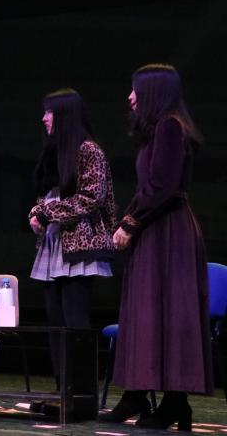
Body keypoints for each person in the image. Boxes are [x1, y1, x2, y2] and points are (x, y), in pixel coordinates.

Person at [102, 64, 212, 431]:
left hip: (169, 232)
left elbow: (164, 186)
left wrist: (132, 223)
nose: (130, 97)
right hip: (155, 228)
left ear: (152, 92)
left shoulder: (170, 127)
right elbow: (146, 187)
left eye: (135, 90)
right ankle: (136, 392)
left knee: (169, 313)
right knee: (145, 312)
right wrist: (128, 220)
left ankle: (175, 402)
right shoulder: (158, 130)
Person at [28, 89, 116, 386]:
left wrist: (46, 214)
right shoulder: (54, 151)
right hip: (54, 244)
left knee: (74, 321)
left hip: (80, 243)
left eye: (49, 112)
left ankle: (80, 391)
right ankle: (61, 389)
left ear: (64, 115)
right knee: (56, 322)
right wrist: (37, 212)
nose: (44, 118)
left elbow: (91, 197)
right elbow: (47, 195)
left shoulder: (89, 150)